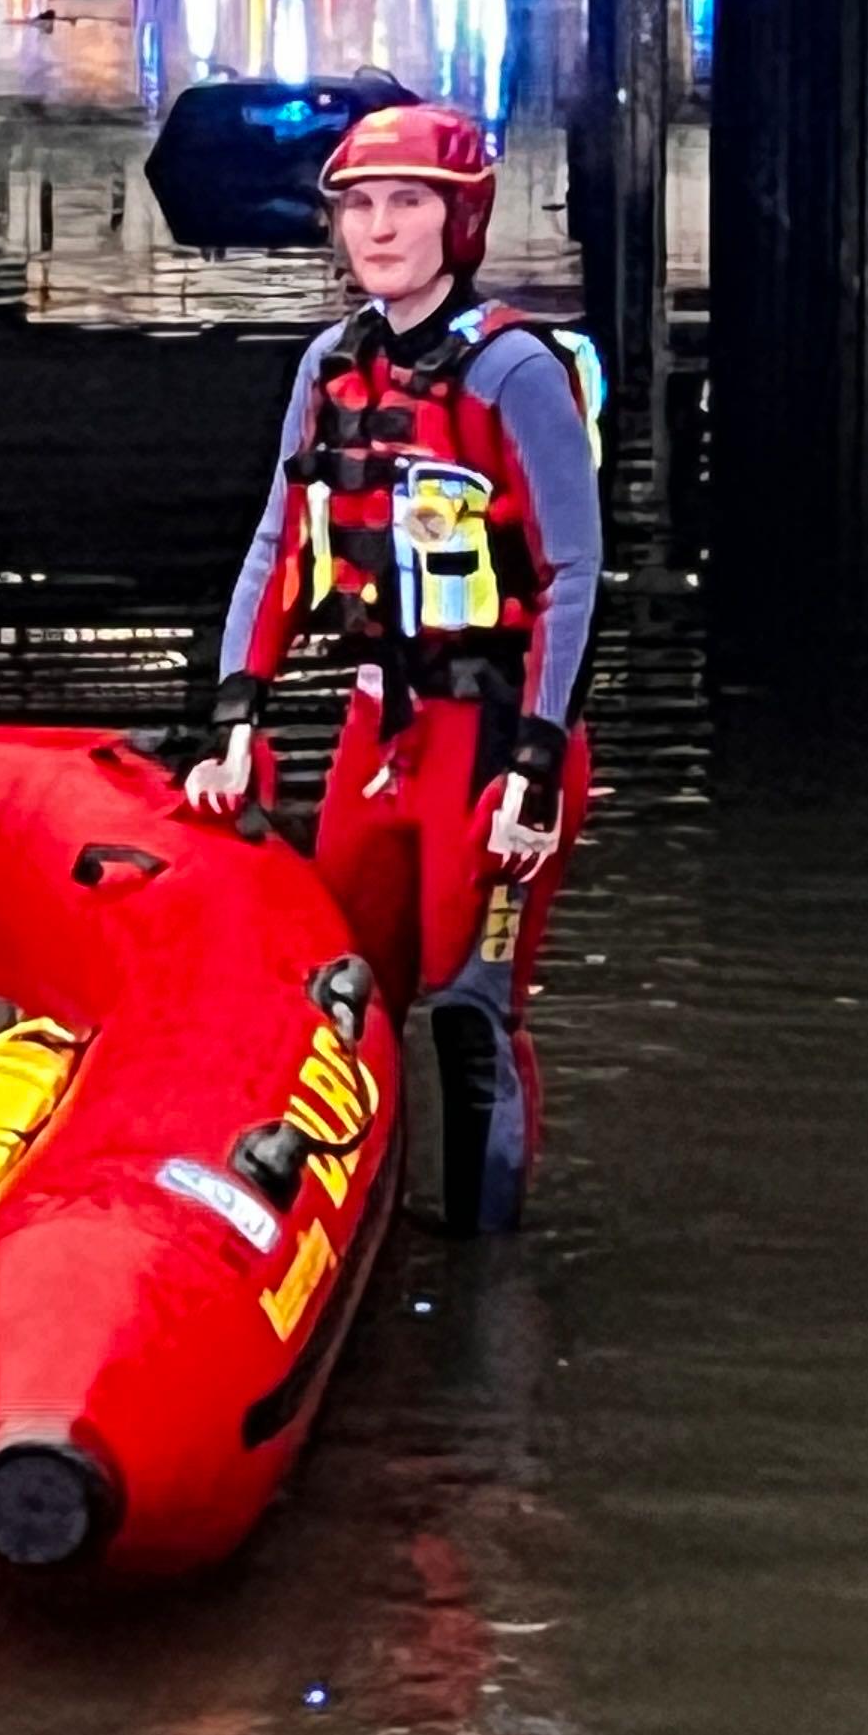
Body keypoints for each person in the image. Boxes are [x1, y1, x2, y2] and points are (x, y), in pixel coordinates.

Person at [182, 104, 602, 1236]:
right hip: (379, 732)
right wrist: (237, 712)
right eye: (361, 206)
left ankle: (483, 1282)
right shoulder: (333, 365)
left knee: (472, 1013)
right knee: (339, 997)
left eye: (407, 204)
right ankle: (345, 1243)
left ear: (458, 221)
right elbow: (279, 545)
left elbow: (573, 570)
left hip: (495, 742)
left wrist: (536, 760)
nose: (380, 228)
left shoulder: (517, 372)